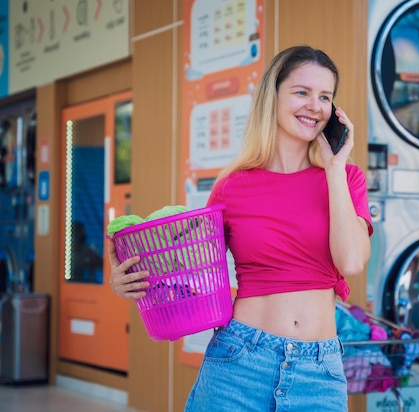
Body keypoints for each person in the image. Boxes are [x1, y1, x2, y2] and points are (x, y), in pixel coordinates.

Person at [108, 45, 373, 411]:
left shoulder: (346, 178)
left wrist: (334, 167)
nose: (315, 105)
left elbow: (352, 261)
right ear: (272, 97)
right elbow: (184, 271)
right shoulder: (233, 186)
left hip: (319, 371)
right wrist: (129, 277)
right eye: (301, 92)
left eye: (325, 96)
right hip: (240, 362)